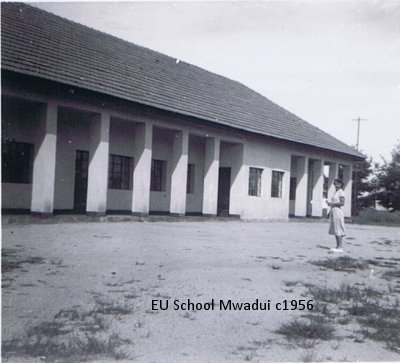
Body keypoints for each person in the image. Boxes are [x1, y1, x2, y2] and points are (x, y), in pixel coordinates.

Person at [327, 178, 346, 252]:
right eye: (335, 184)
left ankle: (340, 247)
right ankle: (337, 246)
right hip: (333, 211)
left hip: (338, 211)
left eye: (338, 184)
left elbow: (342, 203)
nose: (336, 185)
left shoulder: (341, 192)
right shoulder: (336, 192)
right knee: (335, 228)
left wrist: (332, 204)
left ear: (341, 184)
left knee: (338, 228)